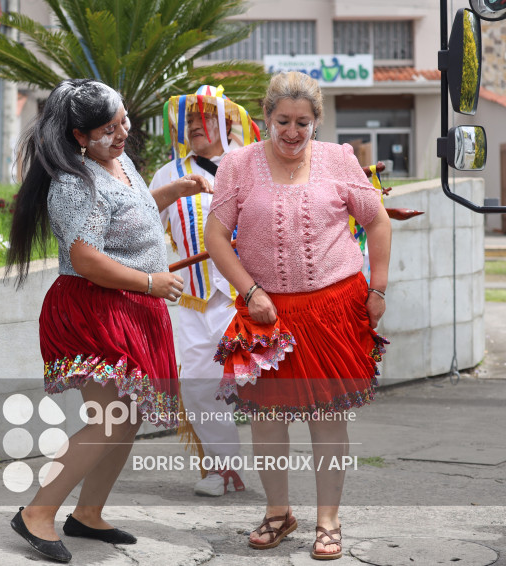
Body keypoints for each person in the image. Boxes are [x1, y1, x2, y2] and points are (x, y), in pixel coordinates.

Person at [204, 71, 391, 561]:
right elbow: (216, 236)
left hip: (333, 310)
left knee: (328, 419)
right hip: (266, 313)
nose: (292, 131)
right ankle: (278, 512)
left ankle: (328, 521)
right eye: (283, 120)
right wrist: (250, 290)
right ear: (266, 117)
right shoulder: (238, 165)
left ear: (316, 121)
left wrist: (378, 287)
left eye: (302, 123)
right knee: (268, 419)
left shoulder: (339, 159)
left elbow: (376, 220)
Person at [5, 78, 189, 563]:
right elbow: (86, 257)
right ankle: (37, 513)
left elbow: (129, 213)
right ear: (79, 136)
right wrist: (149, 282)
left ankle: (88, 514)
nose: (122, 132)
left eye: (123, 121)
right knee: (110, 420)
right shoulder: (74, 182)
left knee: (126, 419)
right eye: (109, 128)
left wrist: (172, 191)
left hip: (130, 305)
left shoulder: (118, 162)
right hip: (94, 309)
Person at [149, 84, 260, 497]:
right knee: (197, 387)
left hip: (244, 297)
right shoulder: (168, 174)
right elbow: (141, 221)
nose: (195, 125)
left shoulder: (252, 164)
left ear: (227, 122)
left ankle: (276, 471)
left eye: (205, 117)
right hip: (194, 300)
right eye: (190, 119)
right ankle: (221, 469)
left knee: (259, 384)